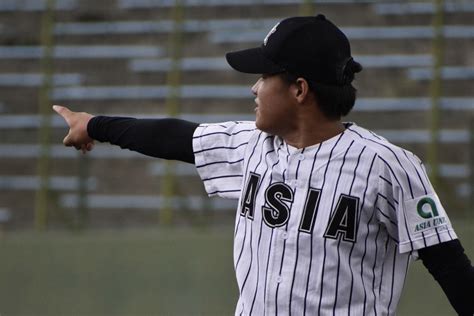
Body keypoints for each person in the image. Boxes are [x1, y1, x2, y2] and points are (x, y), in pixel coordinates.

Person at [54, 15, 473, 316]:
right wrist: (93, 124)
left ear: (299, 89)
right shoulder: (253, 145)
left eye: (264, 76)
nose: (254, 87)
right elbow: (173, 136)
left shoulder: (389, 167)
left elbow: (450, 267)